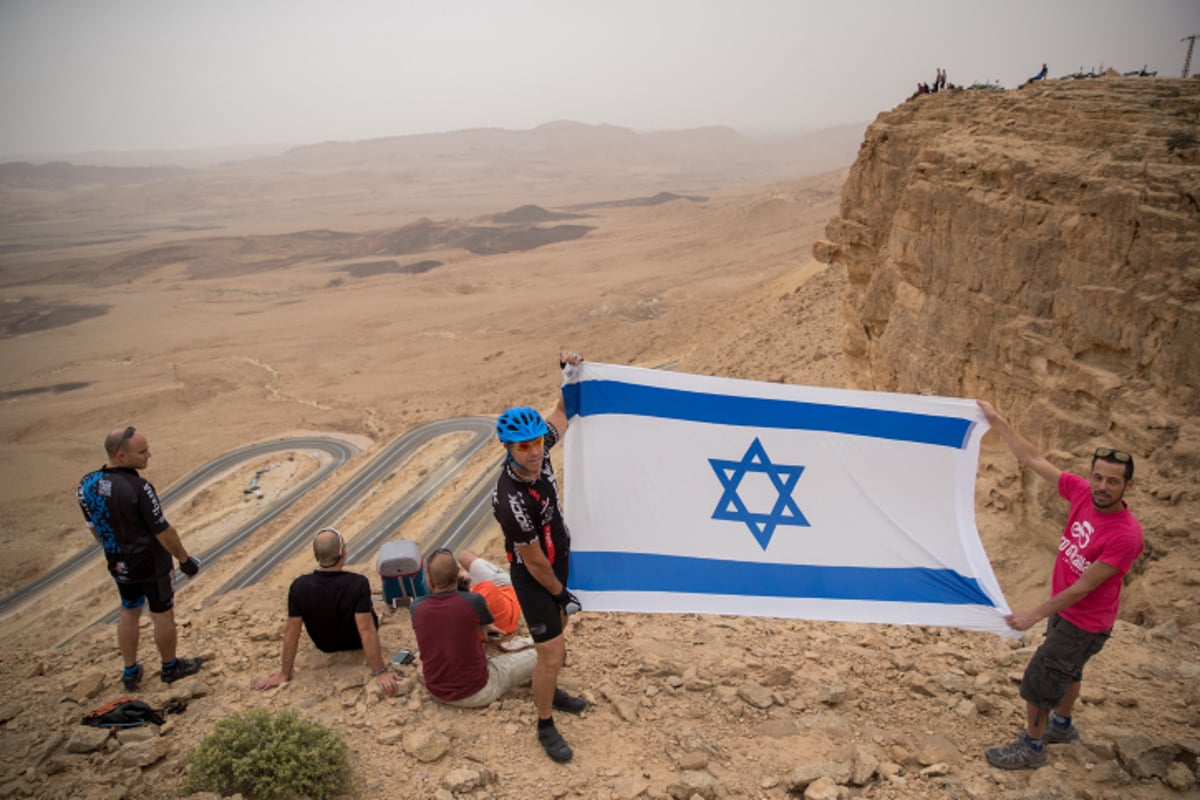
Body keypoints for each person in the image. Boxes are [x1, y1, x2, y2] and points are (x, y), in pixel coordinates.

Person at [978, 401, 1144, 770]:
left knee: (1040, 680)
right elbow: (1035, 461)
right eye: (1098, 477)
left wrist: (1033, 615)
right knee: (1070, 672)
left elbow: (1084, 586)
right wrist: (998, 421)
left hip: (1083, 622)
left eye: (1113, 481)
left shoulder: (1125, 535)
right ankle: (1062, 726)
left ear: (1128, 485)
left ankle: (1032, 748)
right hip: (1071, 615)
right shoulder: (1082, 493)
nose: (1102, 487)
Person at [491, 350, 589, 763]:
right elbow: (532, 562)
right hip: (535, 576)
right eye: (524, 446)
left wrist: (569, 371)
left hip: (558, 559)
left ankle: (549, 683)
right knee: (550, 651)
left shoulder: (542, 446)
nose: (535, 451)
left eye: (537, 443)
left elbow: (563, 411)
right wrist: (561, 592)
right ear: (509, 447)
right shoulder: (508, 498)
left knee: (558, 638)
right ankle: (544, 723)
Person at [77, 426, 204, 690]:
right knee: (162, 614)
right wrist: (184, 559)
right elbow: (163, 531)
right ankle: (170, 667)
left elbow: (95, 530)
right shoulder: (139, 487)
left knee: (129, 609)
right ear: (120, 455)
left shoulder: (86, 485)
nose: (149, 455)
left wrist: (116, 548)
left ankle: (130, 670)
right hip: (150, 562)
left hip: (118, 560)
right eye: (142, 452)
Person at [253, 527, 398, 696]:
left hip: (325, 645)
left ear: (316, 556)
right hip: (355, 642)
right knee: (367, 615)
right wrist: (380, 672)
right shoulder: (358, 583)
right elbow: (365, 630)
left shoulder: (299, 586)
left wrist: (284, 674)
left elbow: (292, 632)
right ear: (343, 553)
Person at [410, 548, 537, 707]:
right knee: (543, 654)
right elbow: (484, 630)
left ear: (429, 580)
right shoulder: (473, 601)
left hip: (437, 691)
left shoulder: (416, 608)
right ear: (458, 575)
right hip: (478, 691)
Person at [457, 549, 522, 636]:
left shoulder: (452, 612)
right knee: (465, 556)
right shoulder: (486, 589)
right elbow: (479, 601)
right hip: (506, 595)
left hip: (489, 629)